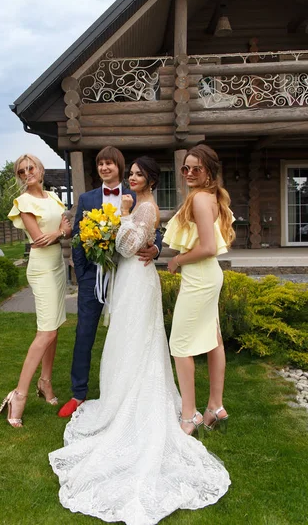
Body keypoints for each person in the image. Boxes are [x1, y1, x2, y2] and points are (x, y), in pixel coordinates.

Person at [49, 156, 230, 525]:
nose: (131, 177)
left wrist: (121, 219)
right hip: (131, 280)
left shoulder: (145, 206)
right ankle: (195, 404)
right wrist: (115, 230)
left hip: (139, 277)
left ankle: (182, 411)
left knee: (147, 340)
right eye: (129, 173)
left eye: (137, 174)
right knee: (125, 339)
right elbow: (132, 242)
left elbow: (130, 245)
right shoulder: (146, 205)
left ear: (148, 180)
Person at [58, 146, 162, 418]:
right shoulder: (87, 198)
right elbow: (79, 238)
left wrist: (156, 249)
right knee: (84, 334)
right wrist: (81, 275)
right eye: (100, 164)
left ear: (119, 167)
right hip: (94, 278)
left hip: (128, 274)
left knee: (127, 333)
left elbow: (153, 229)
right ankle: (78, 393)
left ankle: (125, 389)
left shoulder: (135, 196)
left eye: (110, 164)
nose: (105, 168)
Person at [164, 144, 235, 436]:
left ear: (209, 172)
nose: (190, 173)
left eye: (197, 168)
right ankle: (214, 407)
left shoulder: (201, 200)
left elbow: (207, 248)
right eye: (186, 168)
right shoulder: (209, 198)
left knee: (180, 345)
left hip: (200, 278)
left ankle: (189, 415)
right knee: (213, 339)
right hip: (205, 277)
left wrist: (177, 260)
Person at [0, 154, 72, 427]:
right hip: (41, 268)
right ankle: (19, 394)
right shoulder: (24, 202)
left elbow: (66, 224)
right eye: (21, 171)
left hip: (58, 265)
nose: (27, 173)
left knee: (54, 328)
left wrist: (63, 232)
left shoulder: (53, 198)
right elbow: (39, 240)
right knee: (46, 331)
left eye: (30, 168)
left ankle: (46, 382)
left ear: (40, 170)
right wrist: (60, 234)